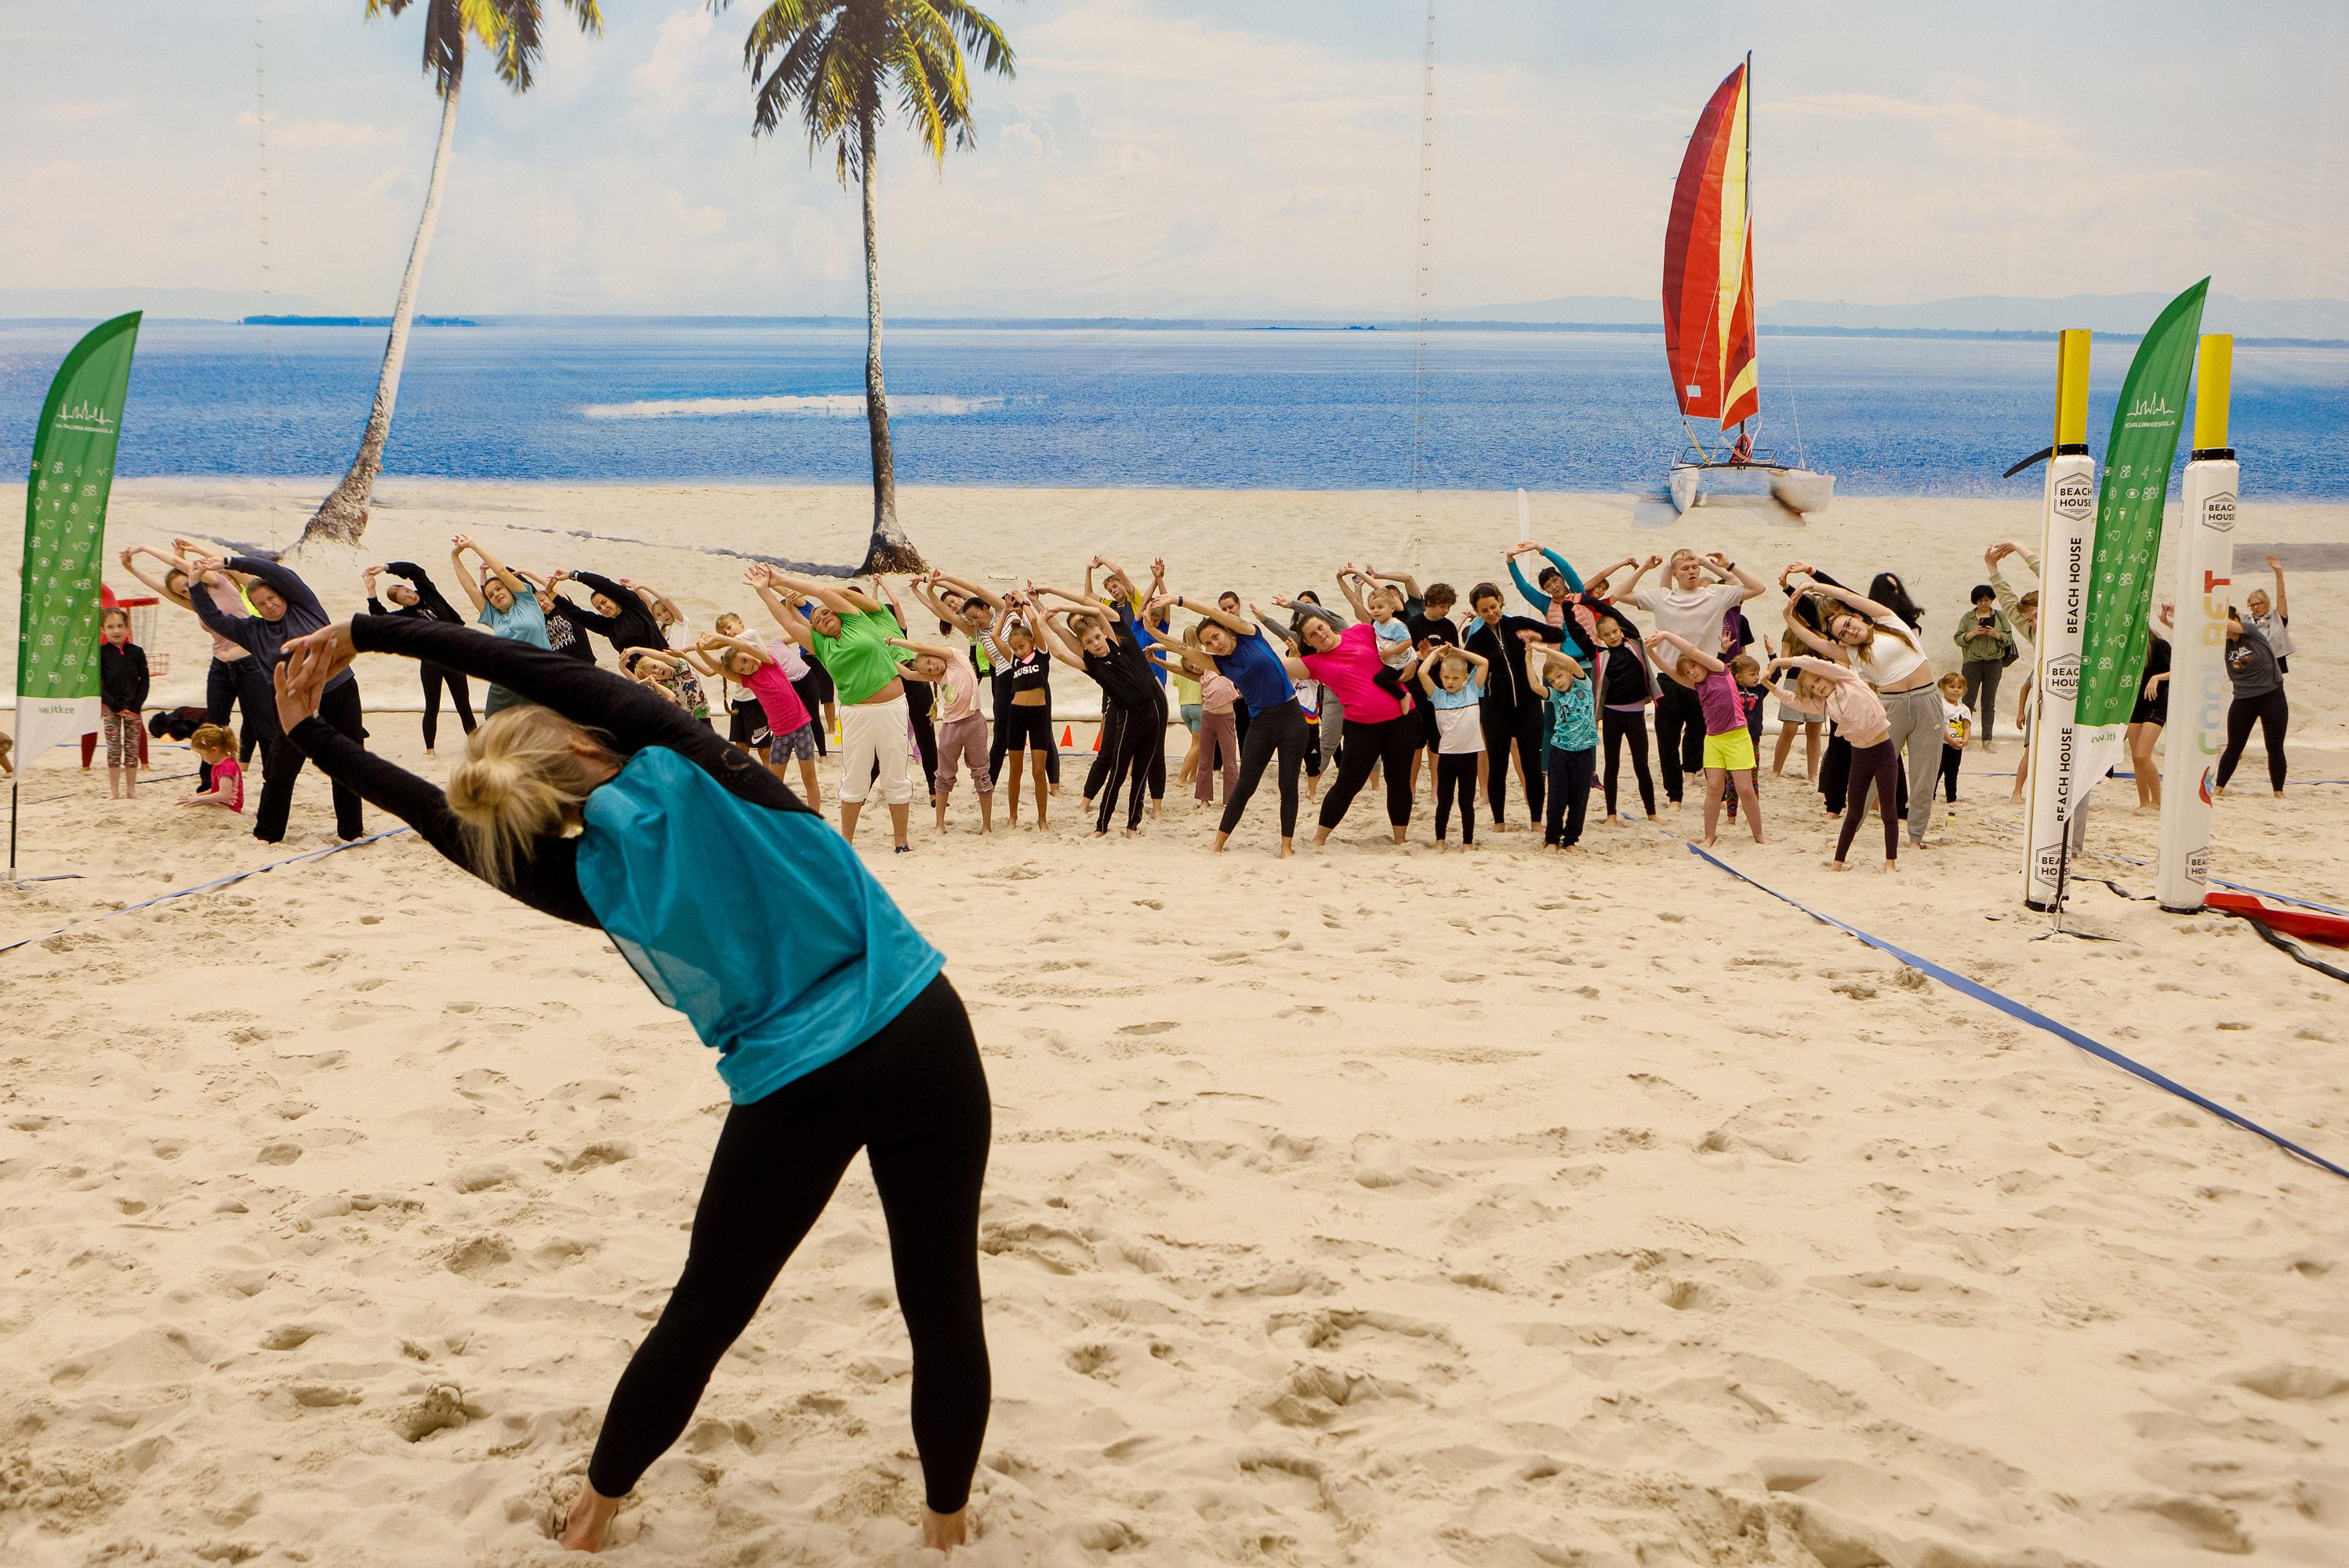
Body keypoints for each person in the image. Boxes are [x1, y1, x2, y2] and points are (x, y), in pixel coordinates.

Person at [264, 615, 989, 1557]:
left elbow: (434, 817)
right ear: (576, 732)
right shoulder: (695, 760)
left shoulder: (581, 876)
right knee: (940, 1300)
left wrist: (310, 736)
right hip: (919, 1028)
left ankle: (598, 1506)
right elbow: (523, 660)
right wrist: (372, 632)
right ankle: (946, 1525)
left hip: (791, 1085)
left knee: (705, 1309)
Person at [190, 551, 365, 844]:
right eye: (261, 603)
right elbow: (213, 618)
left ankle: (352, 832)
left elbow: (276, 571)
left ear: (282, 595)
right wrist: (195, 584)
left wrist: (229, 563)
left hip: (338, 691)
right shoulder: (252, 631)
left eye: (272, 598)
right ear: (254, 608)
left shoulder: (305, 607)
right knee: (280, 768)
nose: (269, 605)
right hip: (293, 702)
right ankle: (268, 834)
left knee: (346, 762)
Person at [754, 567, 917, 851]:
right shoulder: (821, 645)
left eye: (827, 613)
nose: (824, 617)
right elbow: (787, 621)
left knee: (895, 774)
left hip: (892, 706)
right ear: (814, 630)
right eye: (817, 619)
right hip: (855, 713)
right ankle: (847, 842)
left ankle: (901, 841)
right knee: (855, 776)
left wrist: (779, 580)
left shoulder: (858, 622)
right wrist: (763, 591)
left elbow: (823, 593)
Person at [1781, 567, 1941, 849]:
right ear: (1843, 640)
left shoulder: (1889, 621)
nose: (1850, 630)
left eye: (1849, 624)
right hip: (1890, 707)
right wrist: (1788, 617)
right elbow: (1813, 641)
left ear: (1857, 618)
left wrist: (1812, 582)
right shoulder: (1851, 653)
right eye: (1843, 633)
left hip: (1926, 700)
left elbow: (1845, 595)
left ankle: (1916, 837)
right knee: (1873, 770)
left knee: (1924, 773)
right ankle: (1852, 829)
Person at [1148, 590, 1307, 857]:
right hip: (1262, 724)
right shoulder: (1220, 664)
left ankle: (1286, 847)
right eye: (1208, 643)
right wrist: (1154, 631)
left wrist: (1177, 600)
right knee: (1245, 786)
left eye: (1216, 637)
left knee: (1287, 785)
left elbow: (1213, 612)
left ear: (1227, 631)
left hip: (1292, 718)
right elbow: (1182, 649)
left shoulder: (1249, 634)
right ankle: (1218, 844)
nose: (1214, 644)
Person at [1617, 549, 1764, 809]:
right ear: (1674, 574)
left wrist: (1723, 564)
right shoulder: (1663, 597)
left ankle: (1718, 796)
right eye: (1685, 568)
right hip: (1670, 677)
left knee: (1709, 736)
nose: (1692, 571)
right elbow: (1619, 595)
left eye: (1695, 567)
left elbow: (1758, 587)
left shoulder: (1716, 595)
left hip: (1706, 680)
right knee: (1667, 739)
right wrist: (1645, 569)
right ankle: (1674, 796)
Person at [1280, 599, 1420, 848]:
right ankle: (1319, 839)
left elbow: (1398, 641)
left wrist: (1411, 667)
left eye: (1320, 627)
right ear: (1308, 643)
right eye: (1312, 635)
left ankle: (1400, 840)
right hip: (1362, 727)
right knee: (1348, 782)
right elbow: (1272, 666)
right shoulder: (1313, 664)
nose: (1320, 634)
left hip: (1403, 719)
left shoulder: (1362, 631)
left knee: (1398, 779)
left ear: (1326, 624)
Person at [1029, 585, 1161, 838]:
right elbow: (1058, 648)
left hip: (1152, 713)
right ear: (1084, 646)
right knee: (1118, 774)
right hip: (1130, 718)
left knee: (1141, 774)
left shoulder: (1116, 644)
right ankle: (1102, 826)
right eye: (1089, 642)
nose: (1096, 644)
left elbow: (1096, 612)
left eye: (1097, 638)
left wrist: (1063, 606)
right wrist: (1042, 618)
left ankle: (1132, 826)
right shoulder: (1092, 665)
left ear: (1103, 634)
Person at [1772, 654, 1897, 873]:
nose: (1817, 687)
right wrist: (1771, 687)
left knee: (1888, 811)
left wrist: (1782, 662)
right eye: (1812, 686)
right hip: (1859, 755)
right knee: (1853, 813)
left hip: (1883, 752)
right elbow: (1796, 701)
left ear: (1828, 675)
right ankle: (1838, 863)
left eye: (1819, 681)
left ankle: (1890, 862)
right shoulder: (1827, 705)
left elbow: (1813, 663)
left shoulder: (1848, 680)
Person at [1461, 580, 1566, 831]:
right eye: (1484, 610)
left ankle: (1536, 821)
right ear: (1477, 612)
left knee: (1532, 765)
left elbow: (1557, 635)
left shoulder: (1518, 624)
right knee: (1498, 766)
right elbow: (1460, 668)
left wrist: (1535, 637)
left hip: (1528, 706)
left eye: (1494, 606)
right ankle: (1499, 822)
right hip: (1496, 708)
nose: (1491, 613)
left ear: (1500, 601)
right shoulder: (1476, 639)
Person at [1648, 629, 1765, 848]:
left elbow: (1691, 650)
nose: (1691, 672)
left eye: (1693, 666)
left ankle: (1759, 835)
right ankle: (1709, 836)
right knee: (1713, 789)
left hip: (1737, 737)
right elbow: (1670, 672)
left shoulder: (1720, 670)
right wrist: (1651, 652)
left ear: (1702, 661)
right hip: (1713, 740)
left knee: (1745, 789)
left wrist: (1666, 635)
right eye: (1688, 671)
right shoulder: (1697, 685)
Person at [695, 632, 822, 808]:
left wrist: (720, 638)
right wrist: (701, 652)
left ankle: (815, 819)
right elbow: (719, 669)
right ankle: (777, 817)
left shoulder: (770, 664)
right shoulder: (749, 681)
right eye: (742, 668)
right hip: (780, 735)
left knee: (809, 778)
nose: (747, 667)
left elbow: (746, 647)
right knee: (775, 782)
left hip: (802, 728)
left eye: (745, 660)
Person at [365, 561, 478, 753]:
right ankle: (430, 751)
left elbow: (416, 571)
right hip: (431, 662)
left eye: (408, 590)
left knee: (463, 705)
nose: (410, 595)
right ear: (401, 604)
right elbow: (380, 620)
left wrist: (386, 568)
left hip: (454, 657)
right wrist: (371, 591)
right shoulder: (406, 617)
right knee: (432, 706)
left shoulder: (428, 593)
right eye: (405, 598)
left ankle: (477, 745)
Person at [891, 626, 992, 834]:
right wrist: (887, 658)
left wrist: (892, 641)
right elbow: (910, 675)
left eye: (930, 662)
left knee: (981, 773)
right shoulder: (937, 677)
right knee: (944, 775)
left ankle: (987, 826)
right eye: (928, 670)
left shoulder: (956, 657)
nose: (932, 668)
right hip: (951, 727)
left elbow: (918, 647)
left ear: (934, 654)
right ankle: (940, 824)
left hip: (974, 723)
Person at [449, 535, 551, 717]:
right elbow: (471, 588)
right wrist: (455, 556)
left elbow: (502, 571)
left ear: (509, 589)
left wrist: (473, 545)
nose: (495, 594)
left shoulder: (527, 601)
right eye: (490, 595)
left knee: (542, 723)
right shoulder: (494, 616)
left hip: (540, 674)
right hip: (506, 678)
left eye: (499, 589)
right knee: (494, 722)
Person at [1585, 600, 1658, 823]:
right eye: (1607, 634)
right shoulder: (1600, 655)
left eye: (1615, 631)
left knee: (1641, 764)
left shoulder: (1634, 643)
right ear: (1601, 638)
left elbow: (1613, 613)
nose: (1613, 636)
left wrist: (1587, 601)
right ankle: (1611, 814)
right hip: (1613, 714)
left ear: (1621, 630)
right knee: (1612, 764)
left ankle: (1652, 814)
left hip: (1636, 714)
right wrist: (1570, 608)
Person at [1417, 643, 1489, 851]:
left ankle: (1467, 843)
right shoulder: (1438, 696)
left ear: (1465, 677)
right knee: (1444, 801)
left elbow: (1483, 663)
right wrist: (1435, 654)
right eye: (1446, 677)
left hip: (1469, 755)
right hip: (1447, 755)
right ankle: (1440, 841)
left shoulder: (1473, 690)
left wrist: (1458, 652)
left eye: (1456, 678)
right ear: (1440, 676)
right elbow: (1422, 672)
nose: (1450, 682)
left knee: (1466, 803)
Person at [1526, 640, 1597, 850]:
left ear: (1568, 673)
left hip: (1584, 752)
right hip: (1560, 752)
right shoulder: (1556, 696)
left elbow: (1573, 663)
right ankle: (1552, 839)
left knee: (1579, 799)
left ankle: (1571, 840)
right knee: (1557, 798)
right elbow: (1535, 687)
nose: (1557, 682)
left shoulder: (1584, 685)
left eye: (1559, 676)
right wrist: (1529, 661)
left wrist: (1546, 650)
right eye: (1552, 680)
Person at [2215, 608, 2287, 799]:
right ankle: (2218, 789)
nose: (2226, 632)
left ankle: (2278, 792)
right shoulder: (2225, 643)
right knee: (2234, 746)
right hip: (2243, 698)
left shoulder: (2250, 631)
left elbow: (2220, 623)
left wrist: (2212, 607)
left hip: (2271, 695)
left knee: (2274, 746)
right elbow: (2197, 637)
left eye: (2229, 626)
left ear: (2237, 621)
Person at [1952, 584, 2015, 752]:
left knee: (1989, 702)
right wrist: (1973, 633)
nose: (1984, 604)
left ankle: (1987, 739)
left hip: (1994, 663)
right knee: (1967, 701)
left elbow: (2009, 638)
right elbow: (1958, 639)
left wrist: (1996, 634)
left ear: (1991, 600)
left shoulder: (2000, 616)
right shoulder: (1968, 618)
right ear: (1975, 601)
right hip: (1972, 662)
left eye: (1987, 600)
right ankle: (1962, 737)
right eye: (1980, 601)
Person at [97, 606, 149, 800]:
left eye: (120, 625)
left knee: (132, 748)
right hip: (112, 708)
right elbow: (97, 684)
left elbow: (144, 681)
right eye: (111, 627)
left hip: (133, 709)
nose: (116, 631)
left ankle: (131, 790)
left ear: (127, 627)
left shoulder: (136, 652)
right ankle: (114, 791)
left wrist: (135, 707)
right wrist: (116, 707)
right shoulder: (101, 653)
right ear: (103, 629)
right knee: (114, 748)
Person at [2128, 612, 2171, 811]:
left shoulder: (2159, 645)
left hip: (2157, 701)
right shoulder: (2126, 651)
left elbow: (2180, 669)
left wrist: (2157, 678)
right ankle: (2144, 802)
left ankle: (2158, 801)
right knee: (2136, 757)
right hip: (2135, 703)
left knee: (2143, 754)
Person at [1505, 541, 1583, 628]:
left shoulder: (1578, 593)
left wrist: (1540, 548)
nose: (1554, 587)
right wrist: (1510, 559)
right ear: (1545, 590)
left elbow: (1565, 567)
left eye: (1555, 580)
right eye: (1548, 586)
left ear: (1562, 578)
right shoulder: (1546, 605)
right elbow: (1523, 587)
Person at [177, 724, 245, 814]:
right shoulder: (218, 763)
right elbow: (215, 789)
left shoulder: (226, 767)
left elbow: (224, 795)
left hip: (230, 807)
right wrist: (197, 795)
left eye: (202, 754)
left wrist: (199, 798)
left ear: (214, 750)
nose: (202, 758)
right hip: (221, 803)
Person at [2245, 555, 2292, 676]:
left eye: (2259, 603)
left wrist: (2278, 573)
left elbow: (2282, 597)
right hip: (2254, 664)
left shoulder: (2277, 618)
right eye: (2252, 605)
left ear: (2266, 603)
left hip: (2274, 663)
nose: (2256, 607)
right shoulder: (2247, 620)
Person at [1936, 671, 1972, 813]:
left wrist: (1966, 740)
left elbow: (1966, 726)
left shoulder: (1964, 709)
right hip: (1942, 745)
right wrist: (1949, 740)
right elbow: (1940, 726)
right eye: (1952, 687)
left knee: (1953, 772)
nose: (1956, 690)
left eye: (1959, 688)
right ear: (1943, 687)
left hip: (1956, 746)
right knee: (1937, 771)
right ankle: (1931, 795)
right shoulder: (1941, 704)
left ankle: (1951, 797)